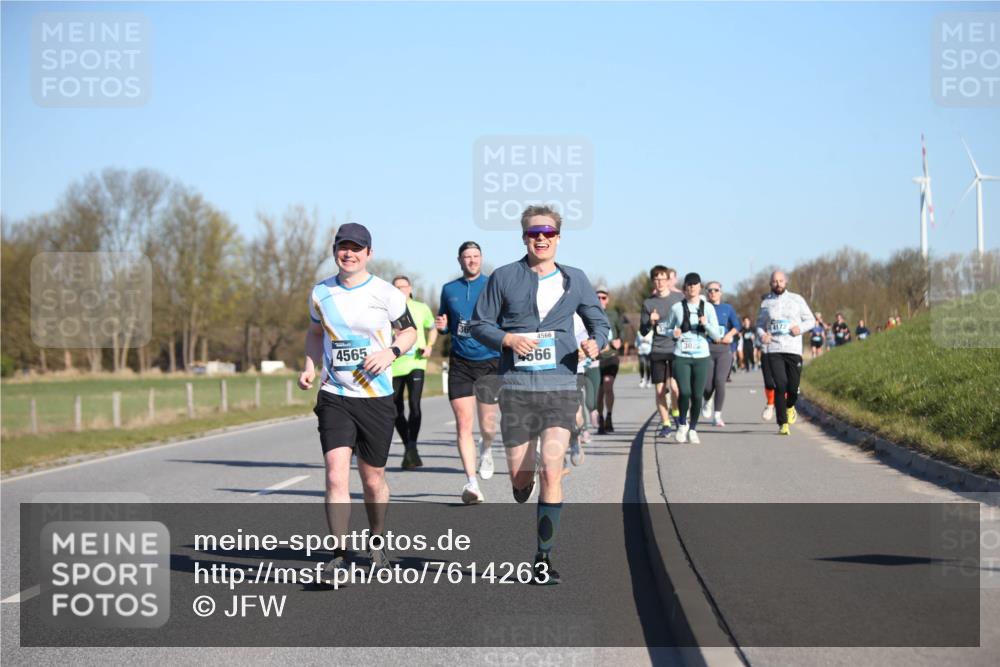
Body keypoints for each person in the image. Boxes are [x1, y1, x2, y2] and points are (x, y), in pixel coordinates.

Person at [471, 205, 608, 585]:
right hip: (516, 388)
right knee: (520, 476)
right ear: (524, 238)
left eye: (548, 232)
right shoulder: (503, 277)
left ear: (558, 237)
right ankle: (521, 483)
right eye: (534, 233)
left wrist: (597, 341)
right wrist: (508, 338)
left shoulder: (575, 279)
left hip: (561, 386)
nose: (541, 238)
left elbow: (599, 321)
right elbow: (478, 324)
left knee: (552, 468)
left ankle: (543, 558)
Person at [299, 223, 417, 581]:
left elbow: (410, 332)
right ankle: (337, 555)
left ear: (369, 253)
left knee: (372, 480)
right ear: (335, 250)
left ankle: (377, 539)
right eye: (343, 247)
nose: (348, 253)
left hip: (377, 397)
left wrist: (391, 352)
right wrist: (308, 365)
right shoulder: (321, 293)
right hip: (335, 394)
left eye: (356, 248)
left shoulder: (386, 293)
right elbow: (315, 333)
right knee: (335, 474)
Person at [435, 241, 501, 504]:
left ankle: (487, 447)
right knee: (464, 424)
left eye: (476, 256)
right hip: (460, 362)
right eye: (467, 256)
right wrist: (441, 327)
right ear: (459, 260)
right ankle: (472, 483)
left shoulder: (492, 285)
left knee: (488, 425)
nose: (472, 260)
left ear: (481, 258)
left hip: (489, 360)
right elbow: (444, 323)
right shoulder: (448, 289)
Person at [756, 271, 816, 436]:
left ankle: (790, 406)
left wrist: (800, 329)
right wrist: (763, 335)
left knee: (793, 387)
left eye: (781, 281)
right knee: (780, 385)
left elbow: (811, 320)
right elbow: (760, 324)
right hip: (774, 349)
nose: (778, 284)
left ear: (786, 282)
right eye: (774, 281)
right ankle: (783, 424)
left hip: (793, 349)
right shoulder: (766, 303)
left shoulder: (797, 299)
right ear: (770, 283)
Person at [665, 273, 722, 443]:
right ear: (685, 288)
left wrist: (706, 324)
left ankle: (693, 429)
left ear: (699, 287)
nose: (692, 287)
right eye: (689, 285)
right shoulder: (676, 308)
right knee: (685, 391)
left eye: (695, 284)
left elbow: (717, 335)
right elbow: (665, 329)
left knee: (697, 395)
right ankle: (682, 424)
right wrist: (673, 333)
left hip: (701, 356)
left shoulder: (708, 308)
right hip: (681, 355)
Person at [391, 275, 437, 469]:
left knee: (415, 405)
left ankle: (412, 446)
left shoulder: (421, 307)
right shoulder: (387, 310)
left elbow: (432, 328)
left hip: (416, 362)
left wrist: (429, 345)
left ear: (410, 288)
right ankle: (409, 447)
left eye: (403, 286)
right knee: (395, 410)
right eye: (396, 287)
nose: (400, 290)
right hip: (393, 365)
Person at [639, 266, 683, 438]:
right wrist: (650, 321)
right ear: (653, 282)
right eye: (656, 279)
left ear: (668, 280)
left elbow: (688, 319)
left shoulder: (678, 299)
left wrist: (682, 329)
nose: (660, 282)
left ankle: (677, 414)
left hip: (675, 348)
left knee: (674, 387)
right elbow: (643, 331)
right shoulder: (648, 303)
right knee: (659, 390)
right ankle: (666, 424)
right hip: (657, 349)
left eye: (663, 279)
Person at [701, 281, 740, 427]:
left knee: (720, 381)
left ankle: (717, 415)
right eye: (709, 290)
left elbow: (737, 325)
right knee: (707, 386)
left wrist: (730, 334)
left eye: (715, 290)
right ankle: (707, 400)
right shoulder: (702, 308)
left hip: (724, 350)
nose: (712, 292)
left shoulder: (727, 308)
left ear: (720, 292)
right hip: (707, 349)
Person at [595, 287, 622, 434]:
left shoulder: (613, 315)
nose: (600, 300)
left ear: (608, 300)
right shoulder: (589, 315)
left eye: (603, 298)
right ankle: (600, 419)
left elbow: (621, 333)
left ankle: (609, 416)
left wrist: (619, 341)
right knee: (599, 392)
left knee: (608, 385)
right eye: (598, 298)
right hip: (595, 359)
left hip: (611, 357)